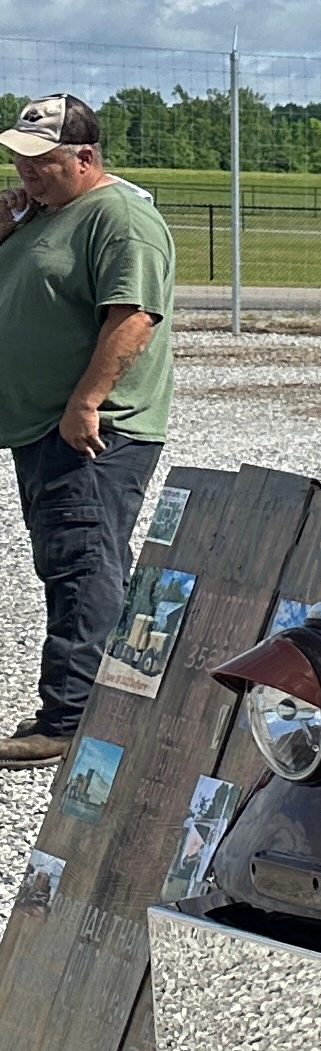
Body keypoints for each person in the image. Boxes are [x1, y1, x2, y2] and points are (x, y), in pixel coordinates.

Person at [1, 95, 175, 769]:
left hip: (93, 430)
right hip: (45, 426)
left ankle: (70, 719)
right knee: (74, 559)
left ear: (86, 157)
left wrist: (87, 400)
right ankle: (111, 705)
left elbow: (134, 316)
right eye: (18, 160)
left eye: (40, 161)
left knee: (82, 562)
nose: (26, 172)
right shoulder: (46, 213)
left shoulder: (120, 217)